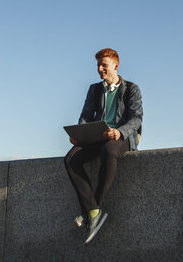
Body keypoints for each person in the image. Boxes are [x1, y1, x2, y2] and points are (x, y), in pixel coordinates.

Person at [63, 48, 143, 244]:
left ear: (116, 66)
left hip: (122, 137)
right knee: (70, 158)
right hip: (98, 136)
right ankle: (94, 210)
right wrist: (78, 134)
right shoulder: (94, 89)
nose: (100, 69)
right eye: (98, 65)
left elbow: (137, 118)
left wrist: (119, 132)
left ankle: (94, 207)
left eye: (104, 65)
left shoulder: (132, 88)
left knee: (109, 150)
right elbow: (86, 116)